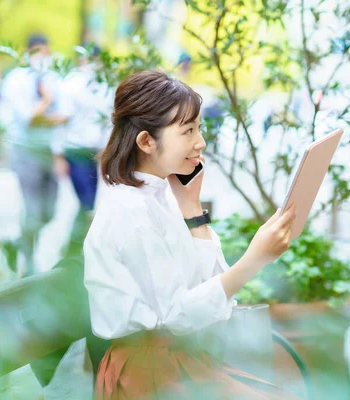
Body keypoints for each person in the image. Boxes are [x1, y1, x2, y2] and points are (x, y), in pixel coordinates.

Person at [84, 70, 299, 399]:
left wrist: (192, 209)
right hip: (147, 373)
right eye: (188, 131)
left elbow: (202, 292)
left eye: (198, 128)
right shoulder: (131, 212)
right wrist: (255, 259)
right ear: (146, 141)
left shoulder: (159, 196)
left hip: (176, 359)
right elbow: (179, 315)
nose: (200, 142)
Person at [0, 34, 70, 277]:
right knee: (33, 209)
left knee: (50, 212)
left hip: (48, 153)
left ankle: (16, 244)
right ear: (28, 53)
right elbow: (28, 118)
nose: (43, 57)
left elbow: (64, 116)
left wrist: (45, 116)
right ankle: (28, 263)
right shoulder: (16, 80)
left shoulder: (52, 78)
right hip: (24, 152)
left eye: (46, 52)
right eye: (38, 52)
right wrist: (46, 101)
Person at [52, 45, 113, 258]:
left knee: (88, 203)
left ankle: (74, 251)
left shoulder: (105, 86)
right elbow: (62, 121)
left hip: (93, 152)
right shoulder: (70, 84)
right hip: (74, 151)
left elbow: (108, 122)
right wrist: (58, 155)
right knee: (86, 202)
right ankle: (74, 251)